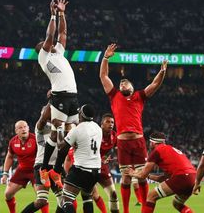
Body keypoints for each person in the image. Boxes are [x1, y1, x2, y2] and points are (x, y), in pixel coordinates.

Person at [99, 43, 167, 212]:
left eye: (125, 82)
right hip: (123, 143)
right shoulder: (114, 95)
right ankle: (127, 210)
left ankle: (145, 208)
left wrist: (162, 71)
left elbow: (155, 84)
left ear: (132, 88)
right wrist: (106, 58)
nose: (122, 83)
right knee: (126, 178)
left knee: (142, 178)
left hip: (138, 141)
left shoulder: (139, 96)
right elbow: (103, 76)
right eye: (121, 82)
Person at [36, 0, 79, 185]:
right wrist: (52, 15)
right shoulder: (44, 56)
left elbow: (63, 33)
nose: (53, 44)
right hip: (60, 95)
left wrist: (62, 13)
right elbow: (51, 36)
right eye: (48, 45)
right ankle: (45, 168)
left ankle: (56, 169)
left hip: (72, 96)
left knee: (68, 134)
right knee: (57, 131)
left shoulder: (58, 53)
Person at [124, 132, 196, 213]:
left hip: (182, 177)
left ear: (153, 143)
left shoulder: (156, 151)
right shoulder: (170, 149)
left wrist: (132, 173)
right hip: (193, 178)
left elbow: (142, 175)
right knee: (177, 204)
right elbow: (162, 178)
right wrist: (149, 176)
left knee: (151, 196)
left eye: (150, 142)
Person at [58, 104, 102, 213]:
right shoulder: (97, 127)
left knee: (66, 200)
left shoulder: (77, 130)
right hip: (96, 171)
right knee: (87, 198)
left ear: (81, 115)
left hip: (81, 169)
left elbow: (61, 146)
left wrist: (59, 129)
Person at [19, 105, 62, 213]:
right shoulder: (41, 126)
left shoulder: (59, 125)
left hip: (57, 166)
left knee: (64, 201)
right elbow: (43, 119)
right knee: (41, 201)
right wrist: (51, 102)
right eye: (47, 112)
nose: (49, 113)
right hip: (42, 165)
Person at [3, 120, 38, 213]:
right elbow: (9, 156)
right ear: (16, 131)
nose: (23, 129)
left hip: (36, 170)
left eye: (25, 127)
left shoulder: (36, 139)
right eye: (20, 128)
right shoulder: (13, 142)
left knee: (41, 196)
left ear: (28, 128)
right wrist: (5, 173)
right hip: (22, 170)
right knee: (8, 194)